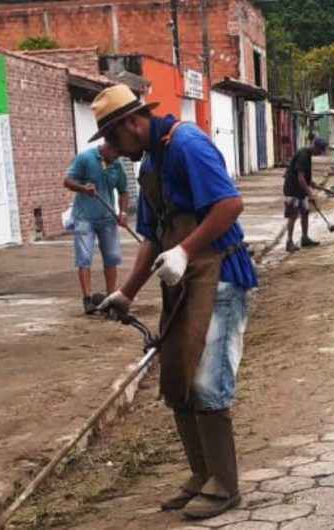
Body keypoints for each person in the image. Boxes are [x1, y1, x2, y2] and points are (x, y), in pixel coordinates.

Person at [93, 85, 257, 519]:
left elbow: (229, 204)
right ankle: (202, 474)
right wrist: (127, 292)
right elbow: (153, 234)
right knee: (179, 380)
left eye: (111, 138)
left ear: (133, 122)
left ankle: (225, 485)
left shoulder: (187, 144)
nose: (110, 148)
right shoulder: (150, 163)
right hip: (184, 282)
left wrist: (185, 251)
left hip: (220, 274)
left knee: (207, 384)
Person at [64, 142, 129, 315]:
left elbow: (123, 191)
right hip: (84, 217)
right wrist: (83, 188)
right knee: (84, 257)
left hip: (107, 218)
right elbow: (67, 181)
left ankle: (110, 298)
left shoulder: (116, 165)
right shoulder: (85, 158)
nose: (118, 157)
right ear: (107, 146)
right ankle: (87, 300)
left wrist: (122, 213)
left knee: (112, 257)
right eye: (116, 152)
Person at [283, 136, 328, 252]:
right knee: (293, 215)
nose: (320, 153)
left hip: (300, 190)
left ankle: (305, 238)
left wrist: (320, 187)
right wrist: (310, 194)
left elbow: (307, 180)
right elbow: (300, 178)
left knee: (305, 212)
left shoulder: (308, 155)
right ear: (316, 147)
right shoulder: (303, 155)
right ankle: (289, 242)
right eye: (320, 151)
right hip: (292, 189)